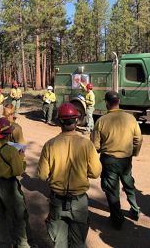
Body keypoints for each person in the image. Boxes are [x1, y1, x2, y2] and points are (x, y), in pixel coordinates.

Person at [38, 103, 102, 247]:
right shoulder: (87, 145)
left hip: (57, 201)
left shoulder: (50, 145)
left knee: (59, 243)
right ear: (77, 121)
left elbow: (42, 175)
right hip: (79, 201)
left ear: (60, 121)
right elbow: (96, 173)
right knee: (78, 242)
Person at [91, 91, 143, 230]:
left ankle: (117, 220)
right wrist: (134, 152)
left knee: (112, 190)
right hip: (126, 160)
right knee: (128, 183)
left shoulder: (101, 121)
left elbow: (95, 146)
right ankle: (135, 210)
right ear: (118, 101)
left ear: (107, 103)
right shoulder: (130, 118)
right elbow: (138, 138)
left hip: (109, 161)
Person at [0, 118, 31, 248]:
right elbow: (18, 171)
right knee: (19, 216)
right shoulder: (12, 150)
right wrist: (22, 158)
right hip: (9, 186)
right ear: (9, 133)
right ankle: (22, 244)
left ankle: (3, 243)